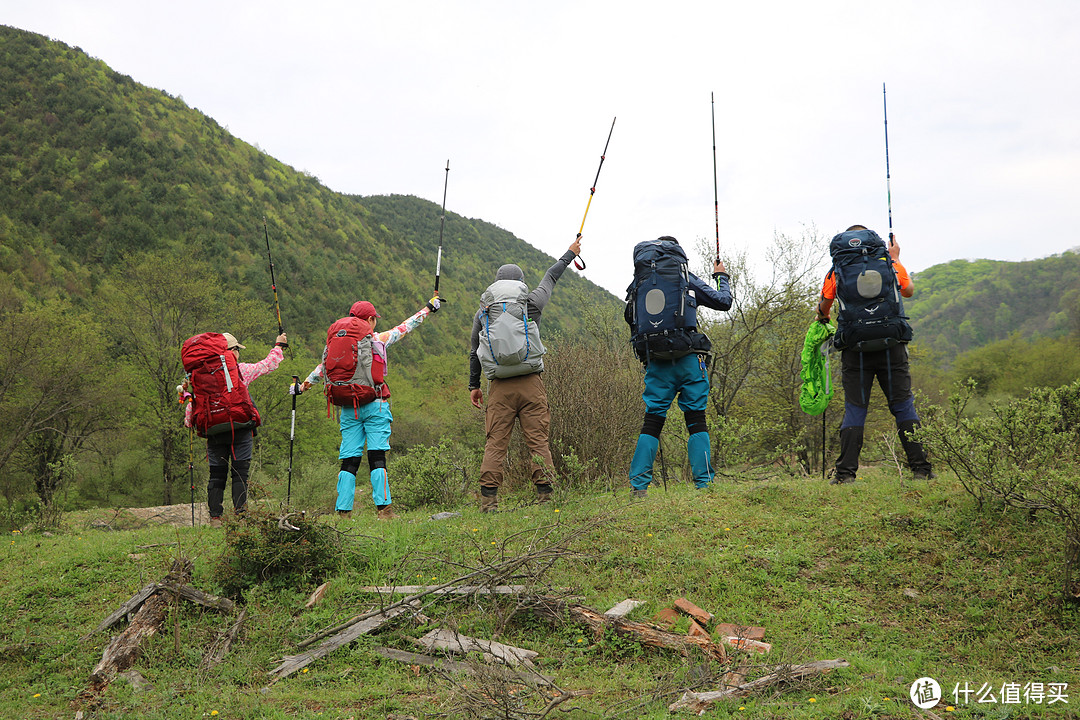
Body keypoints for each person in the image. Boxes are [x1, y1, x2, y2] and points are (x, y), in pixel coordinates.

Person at [301, 296, 440, 520]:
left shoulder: (337, 341)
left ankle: (343, 512)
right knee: (377, 457)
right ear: (370, 319)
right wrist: (428, 308)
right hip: (375, 404)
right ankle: (384, 511)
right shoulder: (377, 340)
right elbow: (405, 327)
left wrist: (301, 387)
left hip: (348, 407)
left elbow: (320, 371)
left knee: (349, 459)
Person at [468, 238, 581, 512]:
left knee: (495, 443)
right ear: (520, 283)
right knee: (538, 441)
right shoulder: (531, 304)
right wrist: (570, 253)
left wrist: (474, 385)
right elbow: (551, 276)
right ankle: (546, 499)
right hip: (531, 384)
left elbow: (474, 351)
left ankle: (489, 503)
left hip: (499, 387)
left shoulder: (483, 312)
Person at [815, 225, 933, 483]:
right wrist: (897, 258)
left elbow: (824, 305)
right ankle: (921, 470)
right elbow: (909, 290)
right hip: (892, 346)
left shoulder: (837, 270)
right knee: (903, 405)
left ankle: (845, 475)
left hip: (855, 350)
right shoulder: (888, 264)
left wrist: (822, 316)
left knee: (855, 409)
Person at [625, 237, 732, 497]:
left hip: (657, 361)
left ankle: (639, 486)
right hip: (689, 359)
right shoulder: (685, 278)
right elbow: (723, 302)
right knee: (696, 419)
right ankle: (703, 484)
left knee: (652, 421)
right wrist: (722, 276)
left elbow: (631, 317)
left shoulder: (638, 283)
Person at [184, 331, 288, 527]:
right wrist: (279, 346)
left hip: (213, 430)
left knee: (216, 474)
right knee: (240, 473)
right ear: (230, 352)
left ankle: (215, 518)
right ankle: (241, 517)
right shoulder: (239, 371)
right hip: (240, 427)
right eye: (236, 350)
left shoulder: (200, 377)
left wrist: (190, 420)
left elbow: (192, 407)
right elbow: (268, 365)